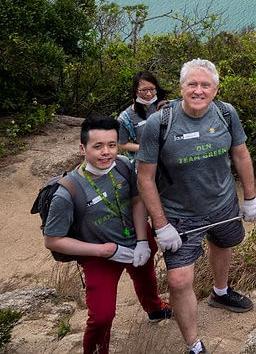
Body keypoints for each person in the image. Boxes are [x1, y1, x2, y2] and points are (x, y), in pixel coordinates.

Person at [137, 59, 256, 354]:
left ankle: (220, 292)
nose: (198, 90)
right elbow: (145, 177)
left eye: (205, 85)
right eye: (192, 84)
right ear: (181, 87)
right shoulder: (160, 123)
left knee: (223, 243)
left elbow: (241, 155)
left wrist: (250, 197)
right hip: (179, 214)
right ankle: (194, 345)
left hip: (222, 203)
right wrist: (161, 224)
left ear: (215, 89)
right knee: (179, 281)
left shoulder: (226, 113)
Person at [43, 116, 171, 354]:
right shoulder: (67, 192)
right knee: (101, 317)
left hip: (136, 240)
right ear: (82, 148)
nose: (106, 153)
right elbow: (52, 239)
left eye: (111, 145)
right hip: (99, 256)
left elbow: (136, 199)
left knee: (146, 279)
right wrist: (103, 250)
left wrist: (143, 240)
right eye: (98, 146)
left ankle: (155, 309)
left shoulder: (122, 165)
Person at [117, 71, 169, 161]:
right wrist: (146, 148)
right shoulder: (125, 118)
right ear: (135, 91)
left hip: (169, 158)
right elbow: (122, 144)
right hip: (145, 161)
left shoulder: (167, 107)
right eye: (144, 90)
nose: (149, 94)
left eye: (152, 89)